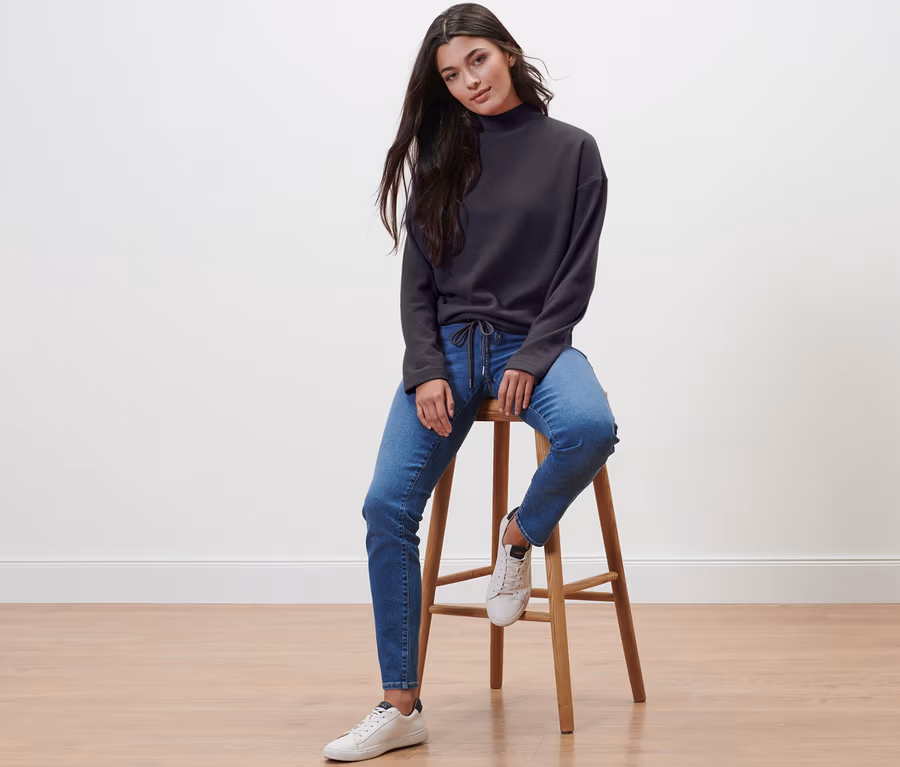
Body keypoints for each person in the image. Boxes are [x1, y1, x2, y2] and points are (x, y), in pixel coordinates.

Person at [323, 3, 619, 761]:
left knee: (590, 428)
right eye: (451, 76)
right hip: (450, 349)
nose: (468, 83)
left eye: (476, 62)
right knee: (386, 506)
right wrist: (425, 368)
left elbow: (575, 276)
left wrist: (533, 356)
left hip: (535, 343)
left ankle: (518, 536)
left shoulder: (574, 151)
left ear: (508, 52)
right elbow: (417, 285)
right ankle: (400, 705)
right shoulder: (440, 157)